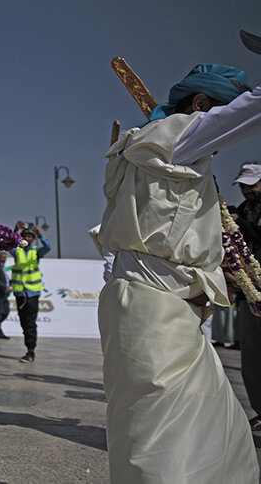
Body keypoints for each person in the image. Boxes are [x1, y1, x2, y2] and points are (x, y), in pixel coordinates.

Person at [97, 64, 261, 483]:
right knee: (161, 441)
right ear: (202, 105)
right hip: (153, 310)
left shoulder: (151, 145)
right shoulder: (177, 136)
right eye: (216, 117)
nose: (222, 139)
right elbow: (251, 110)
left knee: (217, 430)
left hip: (161, 309)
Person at [232, 162, 261, 432]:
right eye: (243, 185)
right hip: (249, 292)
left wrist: (243, 227)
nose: (247, 190)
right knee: (251, 354)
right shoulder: (241, 211)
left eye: (251, 185)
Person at [9, 224, 50, 363]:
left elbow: (48, 248)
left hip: (32, 293)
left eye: (29, 236)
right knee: (23, 322)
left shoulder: (36, 252)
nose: (27, 238)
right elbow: (8, 244)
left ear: (33, 239)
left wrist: (40, 234)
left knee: (30, 322)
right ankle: (29, 347)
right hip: (20, 293)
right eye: (24, 236)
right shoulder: (17, 252)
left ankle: (30, 350)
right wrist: (15, 231)